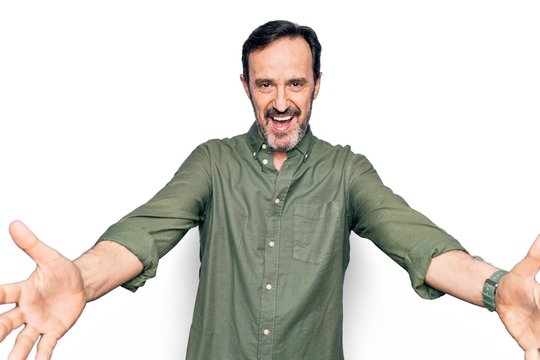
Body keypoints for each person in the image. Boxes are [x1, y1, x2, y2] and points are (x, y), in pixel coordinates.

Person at [0, 19, 539, 360]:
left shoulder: (345, 172)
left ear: (317, 85)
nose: (281, 102)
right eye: (266, 84)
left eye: (295, 83)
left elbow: (422, 246)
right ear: (246, 87)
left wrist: (498, 290)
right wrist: (82, 279)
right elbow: (143, 233)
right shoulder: (213, 163)